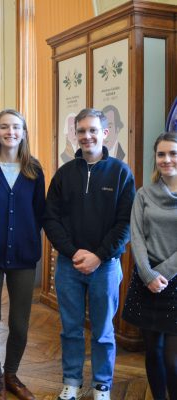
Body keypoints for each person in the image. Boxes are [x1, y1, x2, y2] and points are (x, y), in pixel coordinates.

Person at [43, 108, 135, 400]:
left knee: (103, 331)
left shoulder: (121, 173)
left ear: (105, 133)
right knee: (70, 329)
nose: (87, 136)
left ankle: (101, 384)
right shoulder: (64, 174)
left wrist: (98, 256)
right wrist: (72, 253)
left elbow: (126, 223)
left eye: (93, 130)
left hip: (106, 266)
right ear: (75, 134)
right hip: (69, 266)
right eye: (81, 131)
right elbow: (51, 218)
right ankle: (71, 380)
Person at [0, 109, 45, 400]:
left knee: (19, 324)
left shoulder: (33, 169)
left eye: (16, 127)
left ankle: (11, 374)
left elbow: (39, 213)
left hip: (23, 255)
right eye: (4, 127)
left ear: (23, 132)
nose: (11, 132)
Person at [122, 131, 177, 400]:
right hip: (147, 278)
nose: (167, 159)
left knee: (173, 360)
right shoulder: (144, 194)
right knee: (152, 352)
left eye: (173, 153)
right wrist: (147, 274)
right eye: (161, 154)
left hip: (172, 281)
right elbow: (137, 236)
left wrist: (162, 274)